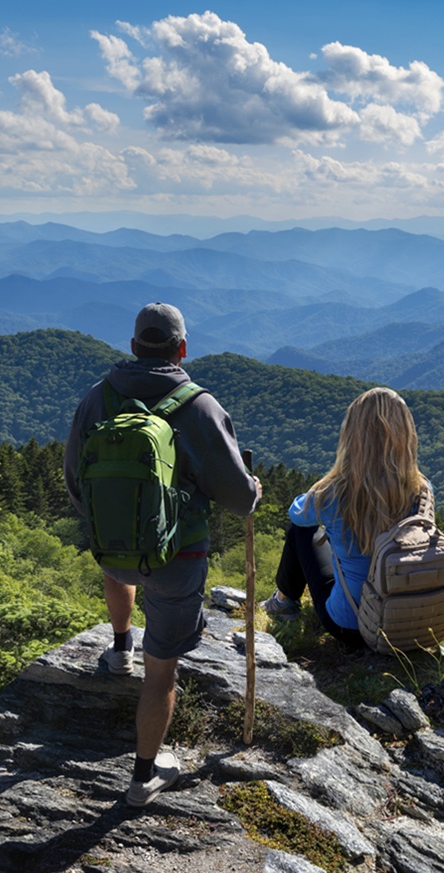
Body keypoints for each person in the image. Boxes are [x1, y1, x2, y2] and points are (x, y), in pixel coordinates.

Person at [63, 302, 260, 806]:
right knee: (163, 672)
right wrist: (254, 488)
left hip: (111, 552)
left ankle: (119, 646)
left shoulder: (97, 398)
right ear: (182, 348)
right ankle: (143, 777)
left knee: (120, 565)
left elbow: (74, 481)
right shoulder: (199, 407)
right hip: (178, 560)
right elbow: (239, 500)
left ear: (132, 347)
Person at [265, 387, 427, 648]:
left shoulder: (335, 492)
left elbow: (296, 514)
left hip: (349, 624)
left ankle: (283, 602)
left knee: (301, 532)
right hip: (408, 624)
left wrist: (326, 481)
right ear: (406, 433)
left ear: (353, 436)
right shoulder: (422, 489)